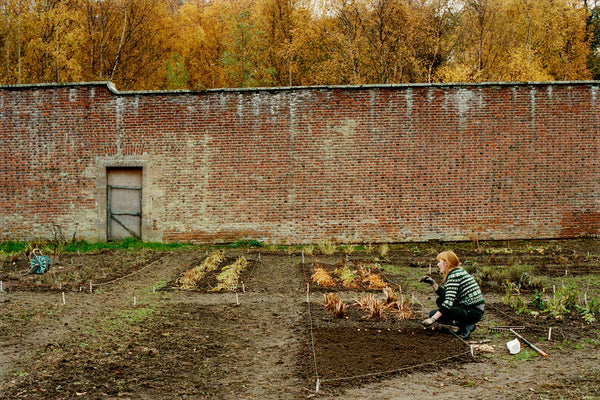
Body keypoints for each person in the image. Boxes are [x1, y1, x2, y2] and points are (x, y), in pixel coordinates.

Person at [420, 250, 484, 339]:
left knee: (434, 313)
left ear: (446, 263)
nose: (438, 265)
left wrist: (432, 319)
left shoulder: (454, 276)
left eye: (439, 262)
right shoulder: (457, 272)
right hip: (473, 309)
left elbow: (448, 302)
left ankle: (465, 325)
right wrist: (433, 283)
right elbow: (445, 294)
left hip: (472, 311)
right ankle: (465, 323)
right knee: (440, 300)